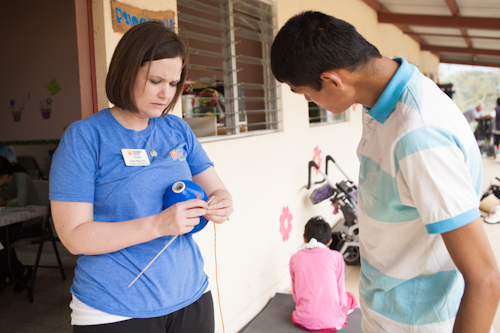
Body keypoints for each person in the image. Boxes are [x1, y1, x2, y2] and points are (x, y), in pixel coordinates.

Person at [271, 11, 500, 333]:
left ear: (333, 80)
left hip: (415, 322)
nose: (310, 101)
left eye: (306, 93)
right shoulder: (382, 100)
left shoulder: (420, 135)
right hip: (386, 308)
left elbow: (485, 278)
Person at [49, 22, 233, 333]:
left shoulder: (177, 130)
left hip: (190, 294)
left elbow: (218, 190)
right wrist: (160, 224)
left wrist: (221, 204)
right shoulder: (85, 138)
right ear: (126, 71)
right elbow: (74, 236)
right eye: (155, 80)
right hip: (114, 308)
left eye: (174, 83)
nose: (166, 93)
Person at [289, 216, 357, 332]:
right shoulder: (336, 257)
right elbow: (341, 296)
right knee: (350, 297)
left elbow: (296, 297)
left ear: (304, 238)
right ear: (330, 241)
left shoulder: (295, 258)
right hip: (333, 324)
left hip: (301, 321)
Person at [0, 155, 41, 292]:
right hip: (13, 224)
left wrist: (4, 203)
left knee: (2, 240)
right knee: (1, 241)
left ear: (5, 174)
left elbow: (21, 201)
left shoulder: (21, 178)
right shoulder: (3, 185)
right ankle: (10, 272)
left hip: (32, 224)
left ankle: (21, 272)